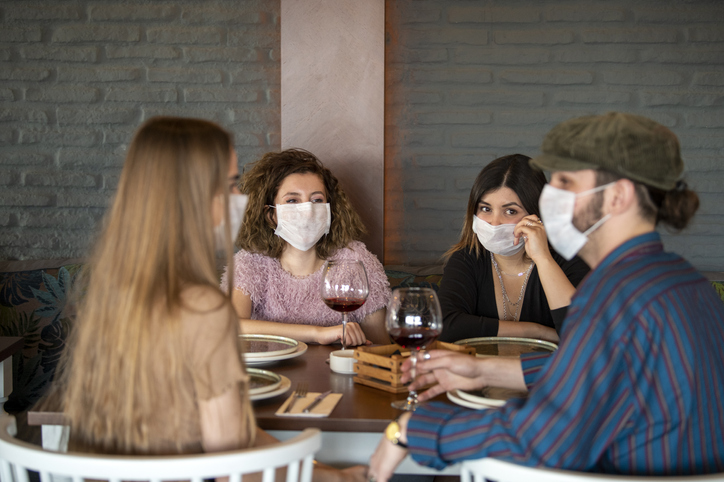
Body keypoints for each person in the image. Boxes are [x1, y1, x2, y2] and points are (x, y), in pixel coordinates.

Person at [368, 112, 724, 479]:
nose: (552, 198)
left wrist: (414, 430)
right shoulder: (685, 283)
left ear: (617, 196)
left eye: (566, 183)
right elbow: (603, 371)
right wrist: (484, 369)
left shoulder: (614, 299)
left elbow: (547, 437)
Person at [48, 117, 364, 481]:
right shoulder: (202, 307)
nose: (239, 199)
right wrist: (336, 477)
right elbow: (232, 459)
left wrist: (320, 470)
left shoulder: (115, 295)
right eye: (230, 185)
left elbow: (234, 439)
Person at [223, 148, 390, 347]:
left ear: (330, 209)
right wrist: (317, 333)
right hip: (271, 375)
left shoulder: (356, 260)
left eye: (317, 200)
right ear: (271, 215)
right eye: (292, 200)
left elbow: (381, 347)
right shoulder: (249, 262)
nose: (308, 210)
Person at [438, 154, 589, 344]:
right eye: (486, 208)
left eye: (510, 211)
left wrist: (543, 258)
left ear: (537, 214)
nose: (494, 222)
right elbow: (445, 325)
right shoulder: (467, 259)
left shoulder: (569, 260)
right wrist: (538, 332)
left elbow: (582, 333)